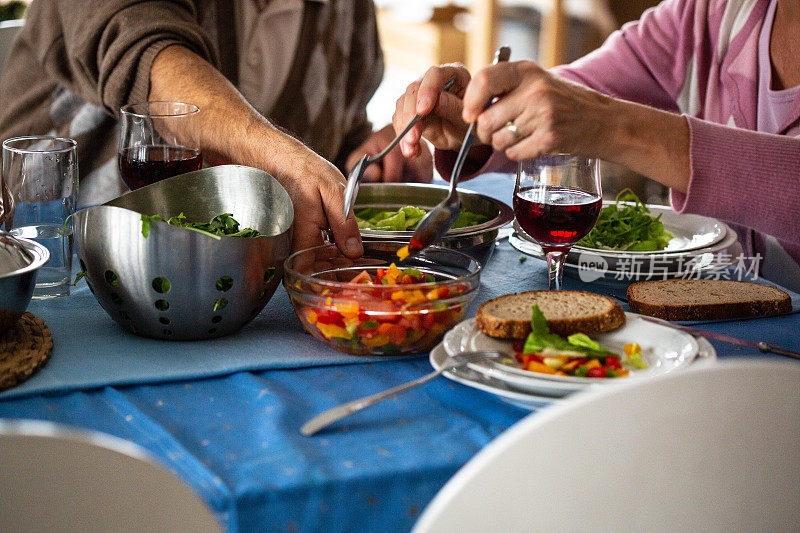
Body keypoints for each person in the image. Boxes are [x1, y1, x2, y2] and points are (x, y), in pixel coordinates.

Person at [393, 0, 800, 291]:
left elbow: (592, 110)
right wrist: (478, 122)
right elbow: (573, 94)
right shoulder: (704, 15)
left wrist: (612, 126)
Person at [0, 0, 430, 258]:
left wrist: (363, 162)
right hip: (51, 266)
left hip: (232, 286)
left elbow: (335, 131)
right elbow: (149, 59)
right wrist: (277, 154)